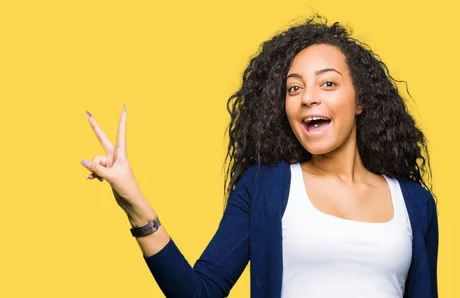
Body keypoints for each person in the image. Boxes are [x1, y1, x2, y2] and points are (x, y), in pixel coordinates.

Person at [80, 16, 438, 298]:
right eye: (294, 88)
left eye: (327, 83)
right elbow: (199, 292)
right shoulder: (265, 187)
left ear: (360, 101)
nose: (307, 97)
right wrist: (135, 205)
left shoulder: (416, 205)